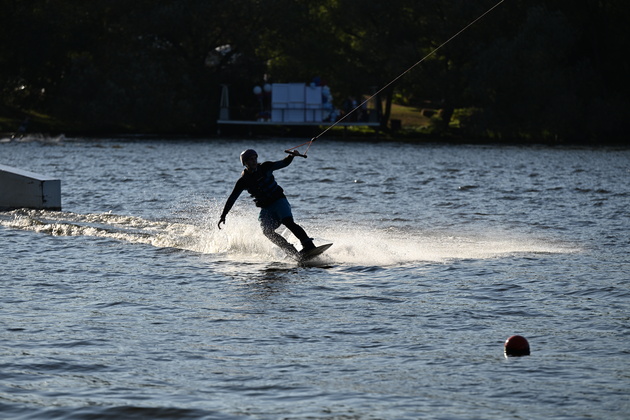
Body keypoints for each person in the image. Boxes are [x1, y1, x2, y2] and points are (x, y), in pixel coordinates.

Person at [217, 149, 315, 257]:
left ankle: (308, 245)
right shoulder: (243, 181)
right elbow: (232, 198)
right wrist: (223, 215)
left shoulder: (266, 167)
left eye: (255, 158)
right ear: (244, 163)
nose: (254, 161)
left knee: (288, 222)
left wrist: (291, 156)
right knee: (267, 232)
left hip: (279, 201)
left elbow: (283, 163)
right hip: (266, 208)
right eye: (250, 160)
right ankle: (291, 251)